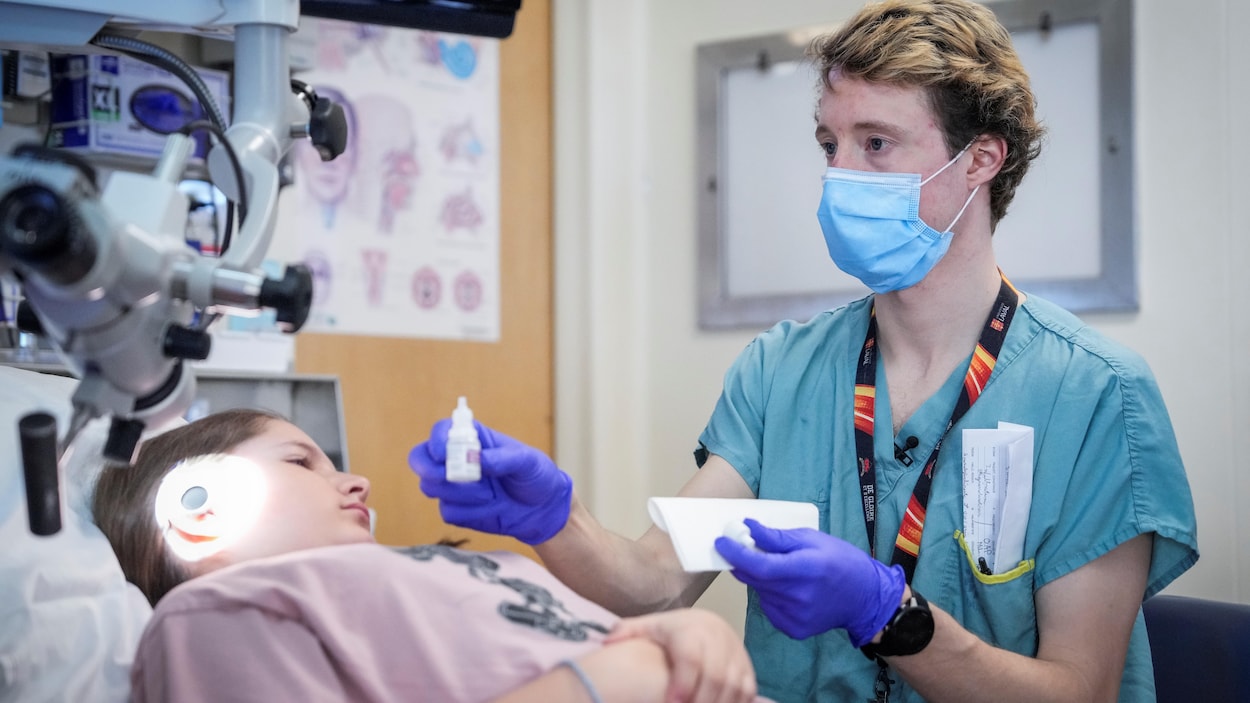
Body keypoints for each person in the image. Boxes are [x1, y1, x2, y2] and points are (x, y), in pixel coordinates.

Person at [409, 1, 1199, 701]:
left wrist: (888, 617)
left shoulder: (1095, 394)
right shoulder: (783, 370)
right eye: (830, 143)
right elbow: (655, 587)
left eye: (877, 143)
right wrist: (557, 520)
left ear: (981, 161)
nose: (840, 175)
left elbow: (1078, 692)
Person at [92, 409, 765, 703]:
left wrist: (687, 630)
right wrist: (604, 685)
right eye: (302, 461)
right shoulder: (212, 617)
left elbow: (617, 628)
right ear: (198, 508)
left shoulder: (423, 575)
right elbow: (607, 668)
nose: (356, 482)